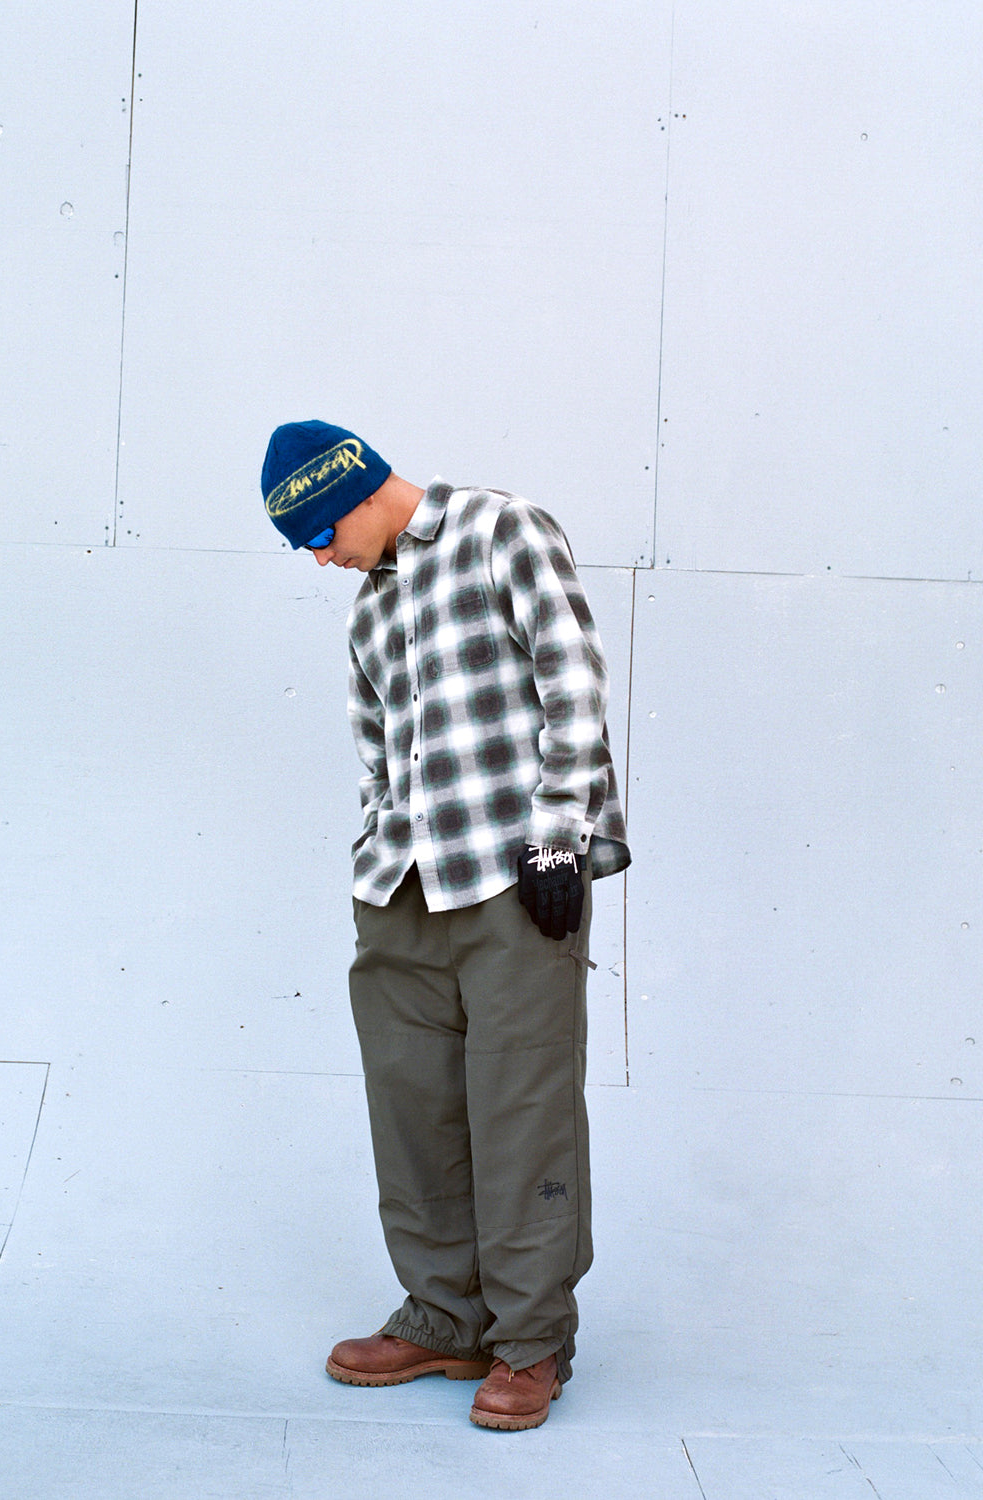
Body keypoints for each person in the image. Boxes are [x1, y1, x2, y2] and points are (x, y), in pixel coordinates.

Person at [261, 420, 631, 1431]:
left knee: (521, 1108)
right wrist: (375, 849)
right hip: (403, 887)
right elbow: (377, 750)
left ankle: (529, 1343)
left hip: (513, 875)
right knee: (412, 1107)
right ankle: (444, 1316)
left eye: (316, 535)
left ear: (353, 490)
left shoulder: (502, 531)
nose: (319, 559)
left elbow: (573, 681)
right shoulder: (372, 608)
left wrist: (559, 838)